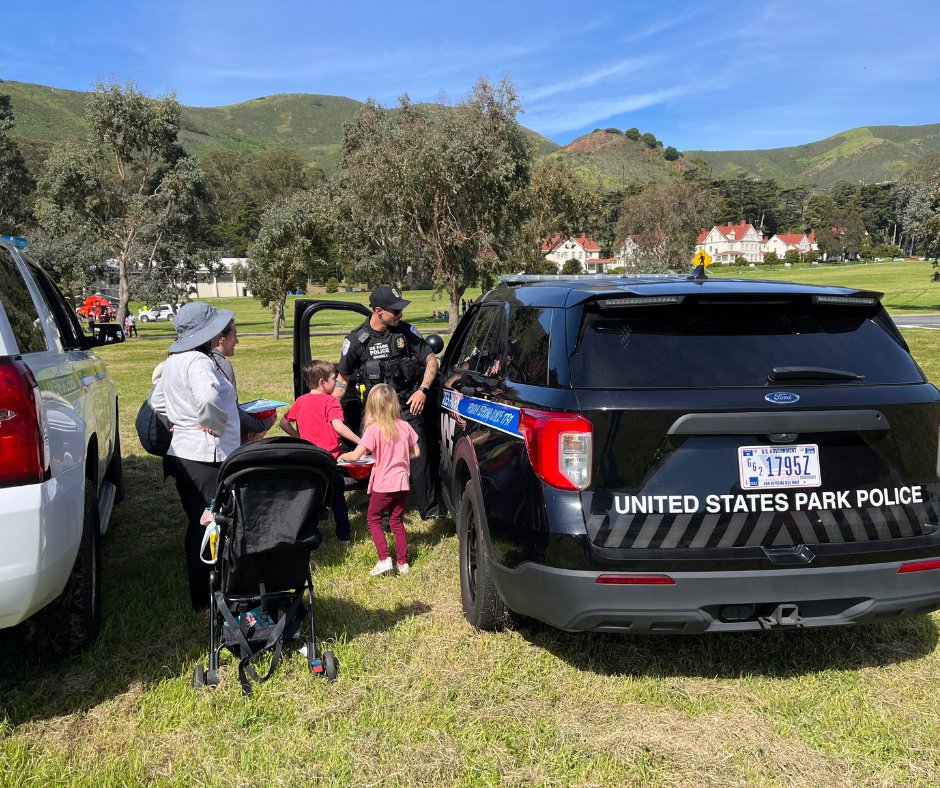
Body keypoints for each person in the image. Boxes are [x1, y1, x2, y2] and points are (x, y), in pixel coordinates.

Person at [153, 302, 240, 611]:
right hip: (206, 457)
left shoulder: (174, 360)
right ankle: (212, 596)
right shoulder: (198, 362)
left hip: (185, 455)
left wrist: (180, 424)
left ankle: (202, 597)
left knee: (197, 523)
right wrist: (212, 424)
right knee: (213, 523)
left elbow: (157, 402)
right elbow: (208, 396)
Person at [335, 285, 440, 519]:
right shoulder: (356, 340)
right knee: (379, 461)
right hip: (377, 414)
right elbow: (343, 379)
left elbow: (431, 361)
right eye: (395, 312)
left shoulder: (406, 332)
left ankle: (431, 512)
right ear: (379, 311)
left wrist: (422, 390)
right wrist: (330, 410)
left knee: (419, 457)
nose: (400, 315)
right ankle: (382, 515)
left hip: (407, 405)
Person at [338, 384, 418, 575]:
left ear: (372, 406)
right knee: (396, 520)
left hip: (383, 484)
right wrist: (399, 457)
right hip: (402, 483)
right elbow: (417, 452)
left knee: (373, 519)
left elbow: (356, 456)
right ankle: (403, 563)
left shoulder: (373, 430)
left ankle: (384, 559)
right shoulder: (405, 426)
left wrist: (342, 457)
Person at [279, 359, 360, 546]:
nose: (337, 382)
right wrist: (361, 442)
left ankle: (310, 535)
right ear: (323, 382)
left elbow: (283, 423)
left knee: (312, 498)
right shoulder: (331, 401)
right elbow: (338, 426)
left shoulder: (301, 401)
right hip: (329, 459)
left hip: (309, 459)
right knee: (337, 498)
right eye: (334, 379)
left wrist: (300, 438)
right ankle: (344, 536)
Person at [209, 320, 275, 441]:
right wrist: (264, 423)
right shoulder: (222, 365)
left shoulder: (203, 359)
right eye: (234, 335)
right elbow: (231, 409)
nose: (237, 341)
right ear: (221, 338)